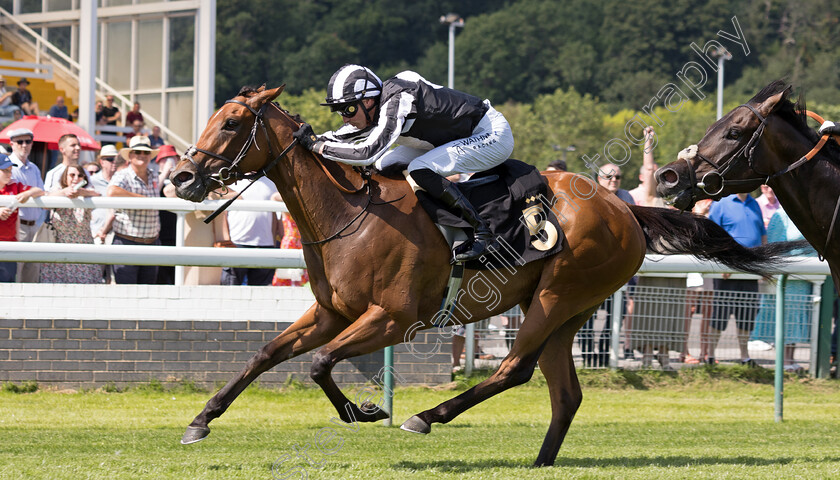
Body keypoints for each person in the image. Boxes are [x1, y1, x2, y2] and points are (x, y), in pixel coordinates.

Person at [294, 64, 514, 262]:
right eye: (339, 111)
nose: (344, 117)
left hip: (491, 133)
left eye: (348, 109)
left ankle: (482, 232)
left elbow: (367, 152)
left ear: (368, 101)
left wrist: (319, 146)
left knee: (418, 169)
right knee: (381, 165)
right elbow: (343, 136)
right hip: (444, 139)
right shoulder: (375, 106)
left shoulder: (398, 100)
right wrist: (309, 139)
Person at [751, 208, 816, 372]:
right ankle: (784, 360)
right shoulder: (780, 215)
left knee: (797, 317)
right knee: (786, 317)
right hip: (788, 277)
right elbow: (775, 245)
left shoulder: (807, 214)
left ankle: (790, 358)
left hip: (806, 277)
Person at [707, 193, 766, 366]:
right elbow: (712, 235)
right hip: (728, 272)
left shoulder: (754, 204)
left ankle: (744, 357)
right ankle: (710, 356)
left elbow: (762, 235)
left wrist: (763, 264)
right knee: (720, 316)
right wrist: (722, 264)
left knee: (746, 317)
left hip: (750, 271)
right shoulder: (720, 204)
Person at [106, 135, 160, 284]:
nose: (142, 155)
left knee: (148, 291)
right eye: (137, 152)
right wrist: (142, 200)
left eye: (146, 152)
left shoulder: (154, 175)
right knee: (127, 293)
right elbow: (111, 191)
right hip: (127, 241)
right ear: (130, 156)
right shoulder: (123, 174)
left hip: (152, 242)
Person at [39, 164, 102, 284]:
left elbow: (98, 194)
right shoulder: (58, 193)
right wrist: (64, 192)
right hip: (59, 248)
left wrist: (81, 192)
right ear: (65, 177)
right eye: (72, 175)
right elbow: (45, 202)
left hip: (83, 248)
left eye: (79, 175)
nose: (75, 178)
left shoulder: (86, 195)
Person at [219, 175, 279, 286]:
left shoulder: (272, 180)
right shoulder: (232, 179)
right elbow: (224, 212)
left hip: (266, 245)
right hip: (237, 243)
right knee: (230, 290)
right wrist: (226, 238)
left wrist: (273, 241)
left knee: (262, 295)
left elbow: (274, 214)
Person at [7, 128, 45, 283]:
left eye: (27, 141)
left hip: (34, 225)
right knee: (16, 272)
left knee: (32, 274)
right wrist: (32, 192)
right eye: (20, 142)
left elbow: (41, 192)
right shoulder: (7, 167)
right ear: (12, 144)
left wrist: (29, 193)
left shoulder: (34, 168)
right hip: (16, 226)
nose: (24, 145)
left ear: (32, 144)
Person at [0, 154, 44, 282]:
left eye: (10, 170)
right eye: (4, 170)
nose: (9, 173)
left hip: (10, 245)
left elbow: (39, 190)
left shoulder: (15, 186)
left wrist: (27, 193)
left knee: (8, 284)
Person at [271, 192, 309, 287]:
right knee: (285, 277)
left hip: (303, 243)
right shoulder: (291, 206)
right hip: (292, 243)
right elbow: (274, 197)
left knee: (302, 281)